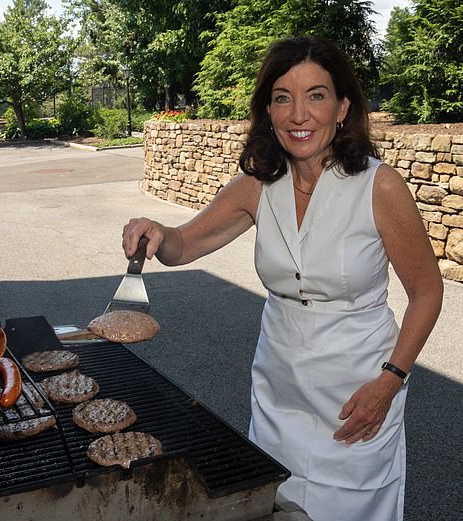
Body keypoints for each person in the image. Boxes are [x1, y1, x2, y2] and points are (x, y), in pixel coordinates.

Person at [121, 37, 443, 521]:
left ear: (342, 107)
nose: (299, 114)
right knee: (275, 507)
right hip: (278, 394)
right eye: (282, 97)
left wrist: (390, 381)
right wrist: (155, 232)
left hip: (357, 397)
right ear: (268, 111)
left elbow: (427, 292)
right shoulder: (257, 186)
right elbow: (183, 244)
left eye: (316, 95)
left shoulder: (380, 186)